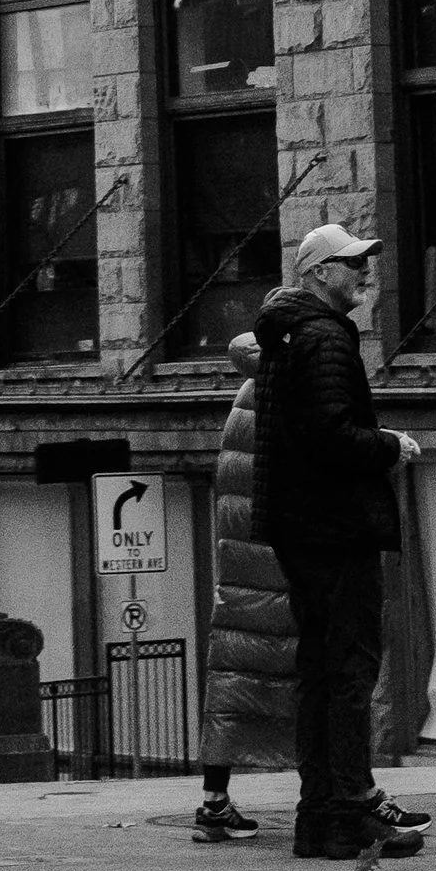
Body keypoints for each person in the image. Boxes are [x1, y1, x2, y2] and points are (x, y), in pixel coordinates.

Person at [250, 220, 434, 862]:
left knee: (321, 673)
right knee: (349, 672)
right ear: (318, 273)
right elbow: (331, 435)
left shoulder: (289, 335)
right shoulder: (326, 339)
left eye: (367, 261)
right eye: (352, 262)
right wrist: (392, 444)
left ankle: (321, 817)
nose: (366, 271)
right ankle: (352, 812)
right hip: (334, 529)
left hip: (301, 527)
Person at [193, 330, 294, 840]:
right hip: (282, 568)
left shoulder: (245, 403)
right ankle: (339, 795)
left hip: (242, 575)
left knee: (233, 685)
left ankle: (214, 802)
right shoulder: (282, 402)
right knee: (310, 684)